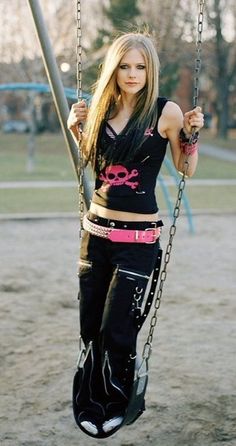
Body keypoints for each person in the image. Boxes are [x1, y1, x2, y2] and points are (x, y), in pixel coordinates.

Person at [67, 32, 204, 438]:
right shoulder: (98, 110)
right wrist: (78, 128)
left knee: (118, 328)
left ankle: (115, 402)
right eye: (125, 66)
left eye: (140, 67)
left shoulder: (166, 112)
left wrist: (192, 135)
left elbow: (185, 168)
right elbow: (96, 165)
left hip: (138, 241)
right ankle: (88, 400)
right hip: (95, 234)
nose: (132, 74)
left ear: (151, 71)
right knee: (91, 327)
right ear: (113, 68)